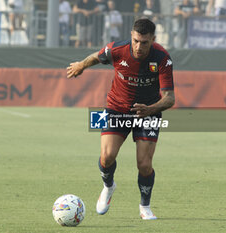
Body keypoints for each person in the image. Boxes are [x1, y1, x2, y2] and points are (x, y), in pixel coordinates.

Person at [67, 18, 175, 220]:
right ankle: (108, 186)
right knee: (107, 157)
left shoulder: (163, 58)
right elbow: (97, 56)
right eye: (135, 41)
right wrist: (81, 65)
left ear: (153, 39)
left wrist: (149, 110)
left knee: (144, 164)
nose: (138, 47)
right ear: (131, 36)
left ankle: (145, 206)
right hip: (115, 108)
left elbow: (170, 98)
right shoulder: (117, 49)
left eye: (144, 42)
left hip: (148, 112)